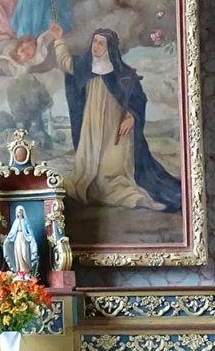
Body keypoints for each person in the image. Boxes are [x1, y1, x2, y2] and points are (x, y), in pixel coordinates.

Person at [51, 25, 182, 212]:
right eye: (94, 41)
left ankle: (131, 196)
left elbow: (138, 99)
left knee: (114, 174)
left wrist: (133, 118)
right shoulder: (83, 65)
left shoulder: (124, 74)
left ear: (109, 48)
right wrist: (58, 39)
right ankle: (98, 187)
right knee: (87, 174)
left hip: (116, 129)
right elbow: (64, 61)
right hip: (92, 127)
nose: (96, 46)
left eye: (101, 43)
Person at [2, 205, 39, 277]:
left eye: (21, 211)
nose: (19, 213)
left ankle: (27, 270)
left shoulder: (25, 222)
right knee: (18, 254)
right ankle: (21, 272)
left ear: (23, 212)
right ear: (16, 213)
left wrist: (31, 238)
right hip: (17, 239)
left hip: (24, 238)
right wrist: (7, 240)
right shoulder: (15, 222)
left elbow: (29, 231)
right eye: (18, 212)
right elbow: (12, 233)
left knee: (24, 254)